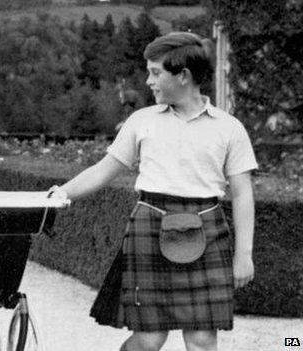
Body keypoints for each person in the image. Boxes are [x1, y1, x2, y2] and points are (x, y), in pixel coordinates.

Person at [50, 32, 257, 351]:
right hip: (150, 228)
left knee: (202, 338)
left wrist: (243, 254)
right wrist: (59, 194)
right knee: (148, 339)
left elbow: (242, 193)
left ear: (183, 76)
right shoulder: (141, 121)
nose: (148, 81)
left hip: (207, 230)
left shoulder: (229, 128)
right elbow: (103, 171)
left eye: (156, 72)